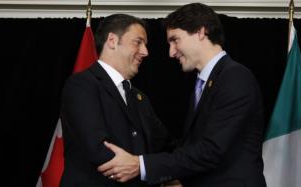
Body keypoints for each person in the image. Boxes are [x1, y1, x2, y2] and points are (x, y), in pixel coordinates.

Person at [97, 3, 267, 187]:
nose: (171, 52)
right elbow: (192, 147)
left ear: (201, 32)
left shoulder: (234, 77)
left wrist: (141, 165)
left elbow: (210, 151)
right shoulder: (205, 83)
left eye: (175, 40)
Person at [59, 14, 169, 187]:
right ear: (112, 40)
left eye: (145, 45)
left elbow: (163, 143)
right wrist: (145, 169)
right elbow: (98, 150)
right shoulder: (82, 85)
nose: (145, 52)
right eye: (138, 42)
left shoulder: (140, 98)